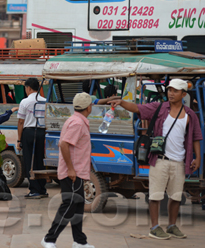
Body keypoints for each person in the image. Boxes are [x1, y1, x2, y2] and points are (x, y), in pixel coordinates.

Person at [109, 79, 202, 240]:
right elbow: (138, 108)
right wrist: (122, 102)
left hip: (179, 162)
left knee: (176, 196)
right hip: (160, 160)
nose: (171, 93)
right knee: (156, 195)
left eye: (175, 91)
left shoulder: (190, 115)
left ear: (183, 94)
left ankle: (172, 226)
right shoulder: (159, 108)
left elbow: (195, 137)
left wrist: (198, 157)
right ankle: (154, 227)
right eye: (169, 90)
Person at [42, 92, 95, 248]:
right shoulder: (78, 123)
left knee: (77, 207)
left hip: (76, 171)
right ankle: (49, 239)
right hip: (72, 173)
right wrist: (71, 169)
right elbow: (64, 144)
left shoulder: (76, 120)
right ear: (88, 107)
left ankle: (79, 241)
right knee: (69, 206)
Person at [17, 78, 48, 199]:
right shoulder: (45, 101)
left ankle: (34, 189)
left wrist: (19, 140)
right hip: (42, 132)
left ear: (29, 88)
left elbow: (20, 122)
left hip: (28, 133)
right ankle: (42, 189)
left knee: (30, 161)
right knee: (40, 160)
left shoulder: (24, 102)